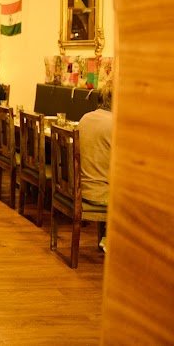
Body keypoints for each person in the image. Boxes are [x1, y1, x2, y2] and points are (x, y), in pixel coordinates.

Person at [78, 81, 112, 251]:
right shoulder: (115, 124)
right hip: (101, 194)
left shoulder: (85, 118)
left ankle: (108, 237)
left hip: (81, 188)